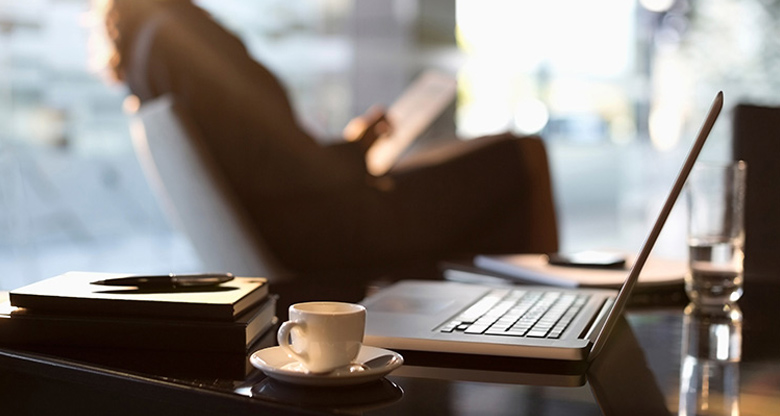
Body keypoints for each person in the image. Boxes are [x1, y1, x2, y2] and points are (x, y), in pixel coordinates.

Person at [95, 0, 558, 276]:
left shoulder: (146, 43)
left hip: (301, 224)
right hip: (326, 232)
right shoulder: (180, 35)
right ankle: (553, 324)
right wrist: (355, 151)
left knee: (437, 159)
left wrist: (353, 148)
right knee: (521, 154)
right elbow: (274, 167)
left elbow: (259, 156)